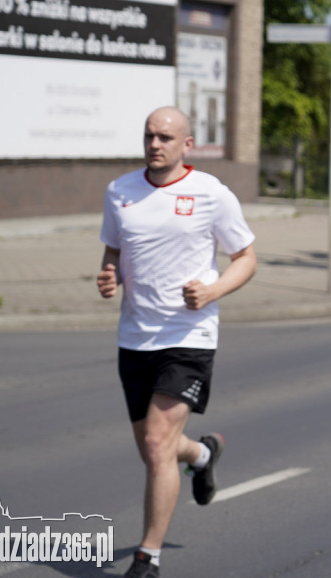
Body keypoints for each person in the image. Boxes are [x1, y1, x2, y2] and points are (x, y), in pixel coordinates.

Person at [97, 106, 257, 578]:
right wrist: (108, 274)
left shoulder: (210, 193)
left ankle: (149, 557)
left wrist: (213, 290)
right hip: (135, 336)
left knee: (155, 441)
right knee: (155, 448)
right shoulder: (119, 191)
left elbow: (246, 257)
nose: (155, 144)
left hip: (189, 336)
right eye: (149, 135)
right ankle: (203, 455)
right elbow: (113, 247)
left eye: (166, 136)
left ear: (187, 143)